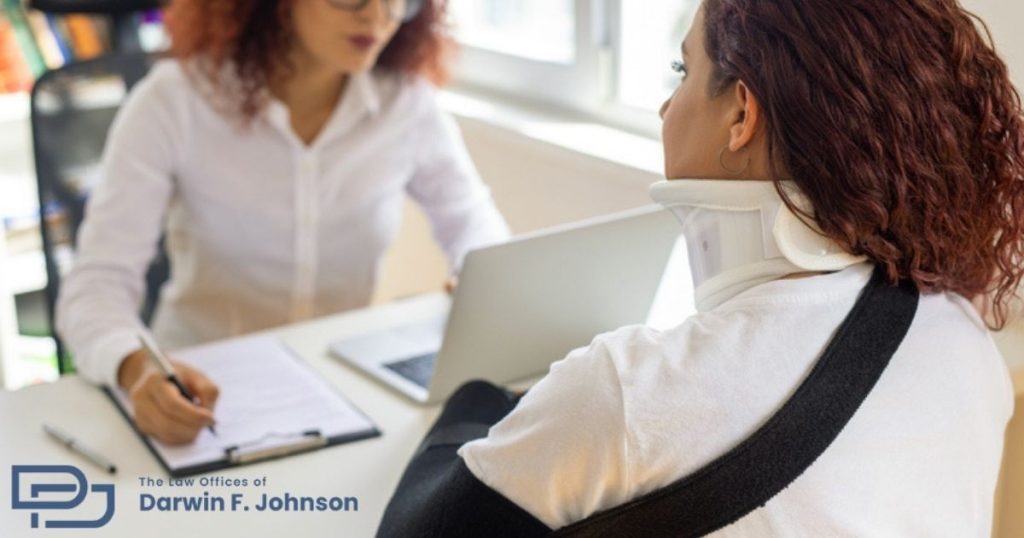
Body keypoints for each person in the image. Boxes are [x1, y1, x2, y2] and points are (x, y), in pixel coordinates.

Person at [378, 0, 1024, 535]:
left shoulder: (628, 392)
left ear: (741, 115)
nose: (665, 107)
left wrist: (478, 397)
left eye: (679, 71)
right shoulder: (963, 336)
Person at [56, 0, 509, 445]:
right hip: (206, 396)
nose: (378, 16)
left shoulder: (406, 104)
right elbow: (96, 283)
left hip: (347, 395)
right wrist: (137, 367)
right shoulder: (174, 100)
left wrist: (478, 275)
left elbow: (474, 225)